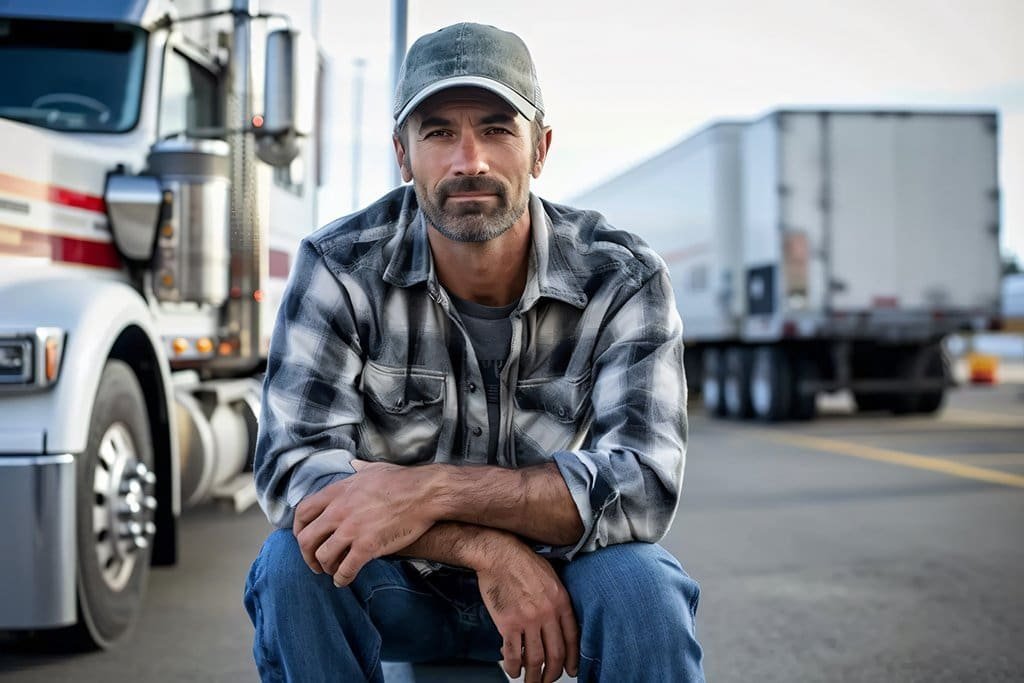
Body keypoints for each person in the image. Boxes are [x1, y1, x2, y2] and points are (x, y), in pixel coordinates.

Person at [244, 22, 705, 683]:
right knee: (295, 563)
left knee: (645, 588)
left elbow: (643, 485)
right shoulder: (340, 267)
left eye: (495, 128)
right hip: (397, 584)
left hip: (558, 585)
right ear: (403, 155)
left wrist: (428, 490)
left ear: (540, 148)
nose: (469, 162)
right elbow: (296, 472)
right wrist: (485, 547)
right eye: (437, 133)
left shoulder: (620, 276)